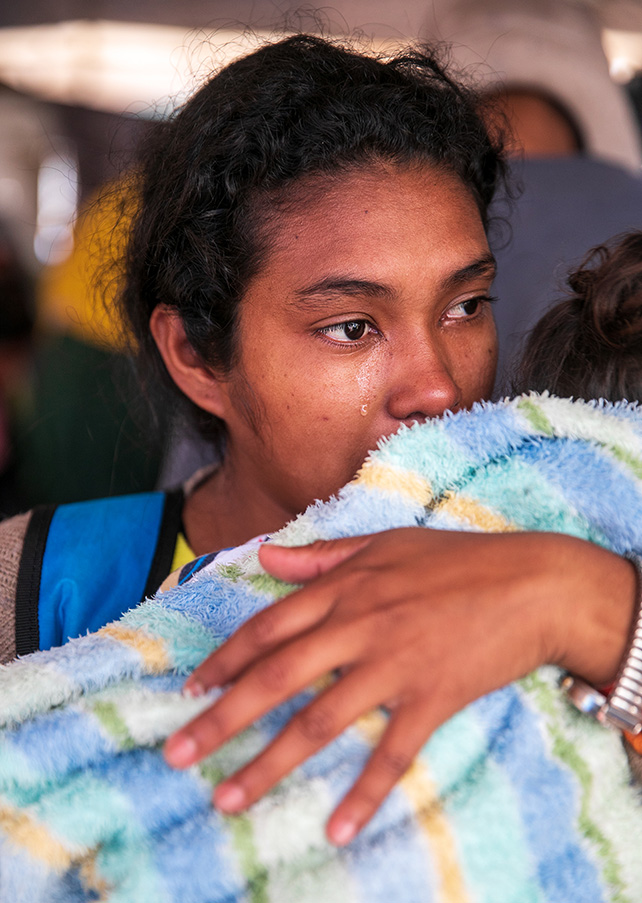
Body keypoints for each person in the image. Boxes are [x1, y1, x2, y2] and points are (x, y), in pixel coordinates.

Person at [0, 33, 638, 848]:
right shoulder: (41, 591)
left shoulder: (570, 543)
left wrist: (591, 607)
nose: (437, 385)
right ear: (198, 356)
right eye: (351, 327)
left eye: (465, 306)